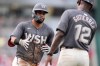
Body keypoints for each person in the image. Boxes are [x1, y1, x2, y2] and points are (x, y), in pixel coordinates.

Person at [45, 0, 97, 66]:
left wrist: (50, 53)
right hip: (84, 56)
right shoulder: (94, 22)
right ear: (91, 6)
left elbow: (60, 34)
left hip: (69, 53)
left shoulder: (69, 13)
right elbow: (88, 43)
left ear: (79, 1)